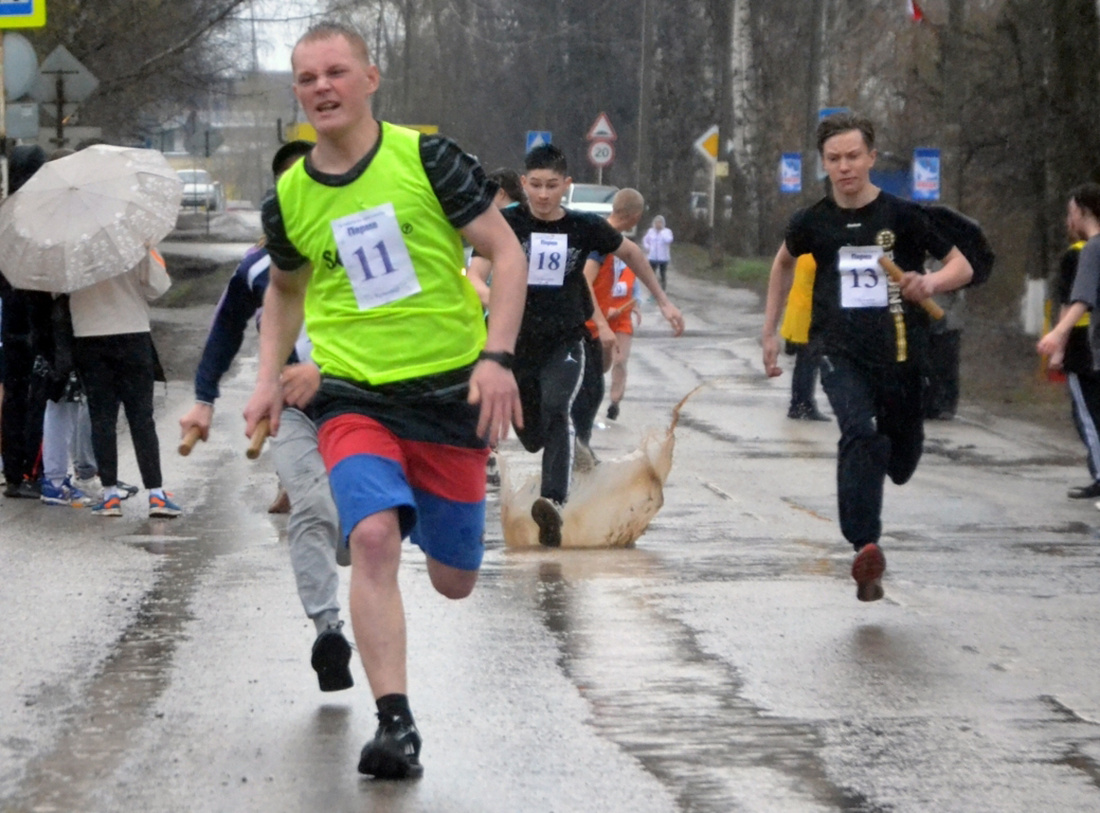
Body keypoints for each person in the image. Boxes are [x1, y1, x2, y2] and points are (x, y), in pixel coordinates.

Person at [242, 22, 527, 780]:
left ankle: (443, 525)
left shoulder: (425, 158)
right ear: (297, 94)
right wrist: (270, 375)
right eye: (307, 78)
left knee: (453, 580)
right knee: (369, 537)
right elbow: (284, 287)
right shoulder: (291, 196)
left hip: (449, 394)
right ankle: (395, 724)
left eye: (336, 72)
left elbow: (506, 253)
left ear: (371, 77)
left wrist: (497, 358)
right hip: (351, 395)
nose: (322, 88)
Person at [762, 112, 973, 602]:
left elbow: (960, 264)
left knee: (899, 459)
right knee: (859, 430)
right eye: (834, 159)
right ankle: (865, 545)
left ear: (871, 157)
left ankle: (886, 470)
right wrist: (768, 332)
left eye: (853, 156)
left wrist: (932, 283)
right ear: (824, 164)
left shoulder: (903, 216)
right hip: (839, 351)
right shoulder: (813, 221)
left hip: (901, 353)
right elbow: (782, 264)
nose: (845, 167)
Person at [178, 139, 356, 693]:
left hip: (361, 404)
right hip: (294, 412)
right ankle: (328, 629)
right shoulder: (257, 266)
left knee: (359, 530)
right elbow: (226, 330)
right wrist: (204, 398)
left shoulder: (358, 245)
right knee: (311, 505)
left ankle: (353, 537)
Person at [470, 146, 684, 548]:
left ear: (566, 185)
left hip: (566, 342)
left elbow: (632, 252)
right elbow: (476, 273)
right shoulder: (506, 224)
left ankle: (553, 502)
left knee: (558, 407)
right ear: (524, 183)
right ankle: (556, 462)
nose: (544, 194)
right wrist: (488, 296)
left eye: (552, 185)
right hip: (516, 344)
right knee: (532, 436)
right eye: (535, 185)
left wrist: (664, 301)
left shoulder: (584, 226)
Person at [71, 245, 181, 518]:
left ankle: (109, 495)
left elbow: (55, 291)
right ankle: (156, 494)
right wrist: (149, 251)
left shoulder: (70, 244)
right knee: (142, 417)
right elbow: (158, 287)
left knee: (102, 418)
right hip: (132, 333)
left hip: (88, 335)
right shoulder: (130, 237)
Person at [1036, 183, 1100, 499]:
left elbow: (1076, 300)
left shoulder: (1085, 251)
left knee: (1088, 414)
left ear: (1082, 212)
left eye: (1071, 211)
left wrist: (1058, 338)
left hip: (1083, 343)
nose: (1067, 219)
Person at [1, 145, 51, 499]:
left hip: (8, 318)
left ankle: (13, 472)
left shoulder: (4, 214)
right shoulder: (42, 216)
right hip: (36, 318)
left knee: (14, 397)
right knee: (38, 397)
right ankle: (35, 470)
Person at [780, 254, 829, 421]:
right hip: (809, 313)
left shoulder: (803, 254)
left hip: (798, 309)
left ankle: (798, 404)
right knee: (809, 362)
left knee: (804, 362)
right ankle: (803, 405)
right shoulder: (817, 257)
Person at [642, 215, 674, 289]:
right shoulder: (650, 231)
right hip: (652, 257)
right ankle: (652, 288)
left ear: (663, 223)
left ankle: (663, 288)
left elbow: (669, 240)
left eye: (660, 223)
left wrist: (662, 233)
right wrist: (647, 247)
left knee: (662, 273)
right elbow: (645, 240)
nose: (658, 224)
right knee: (651, 274)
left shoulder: (667, 231)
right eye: (656, 222)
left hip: (663, 258)